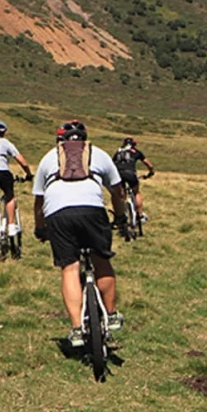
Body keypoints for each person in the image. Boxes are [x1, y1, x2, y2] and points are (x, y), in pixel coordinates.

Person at [32, 120, 128, 347]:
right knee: (101, 260)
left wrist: (40, 227)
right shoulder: (99, 154)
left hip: (58, 214)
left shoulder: (49, 157)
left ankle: (76, 328)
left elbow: (38, 201)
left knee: (69, 268)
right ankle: (112, 315)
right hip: (92, 210)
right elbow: (117, 191)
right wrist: (121, 216)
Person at [112, 137, 156, 223]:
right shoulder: (136, 152)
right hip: (130, 173)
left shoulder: (118, 152)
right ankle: (140, 216)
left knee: (121, 195)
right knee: (136, 192)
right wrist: (151, 172)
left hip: (118, 174)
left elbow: (112, 164)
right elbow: (149, 165)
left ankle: (121, 216)